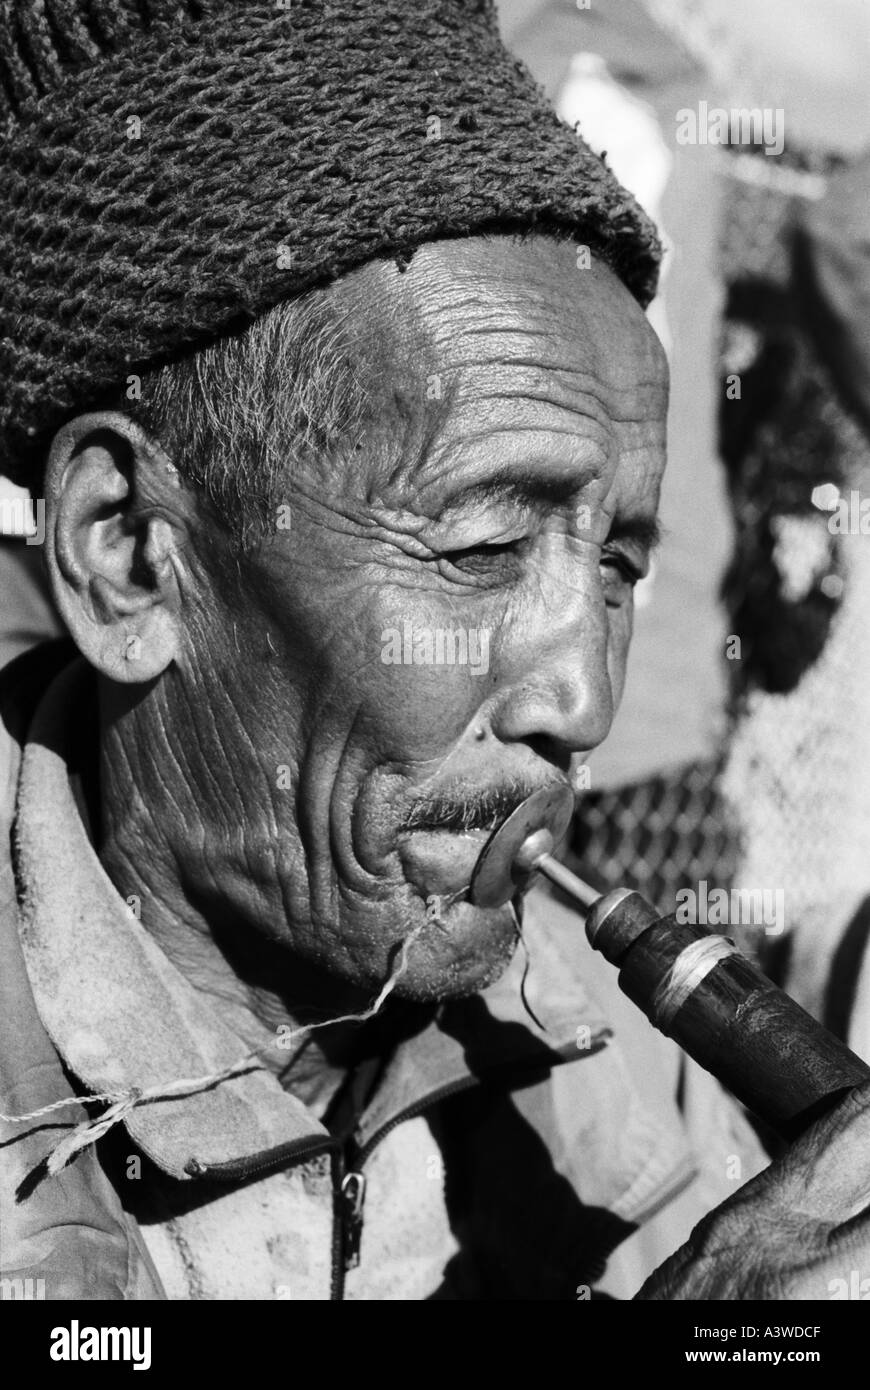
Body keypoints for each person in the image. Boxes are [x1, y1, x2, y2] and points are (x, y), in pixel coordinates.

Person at [0, 0, 868, 1301]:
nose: (580, 697)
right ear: (132, 553)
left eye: (617, 565)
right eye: (477, 553)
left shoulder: (616, 1057)